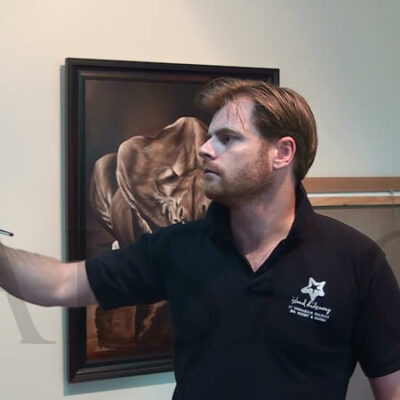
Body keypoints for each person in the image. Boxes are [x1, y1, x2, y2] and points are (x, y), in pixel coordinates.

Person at [1, 78, 399, 400]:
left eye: (227, 138)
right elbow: (58, 284)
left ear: (282, 152)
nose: (204, 150)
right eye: (209, 137)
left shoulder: (356, 260)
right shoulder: (178, 247)